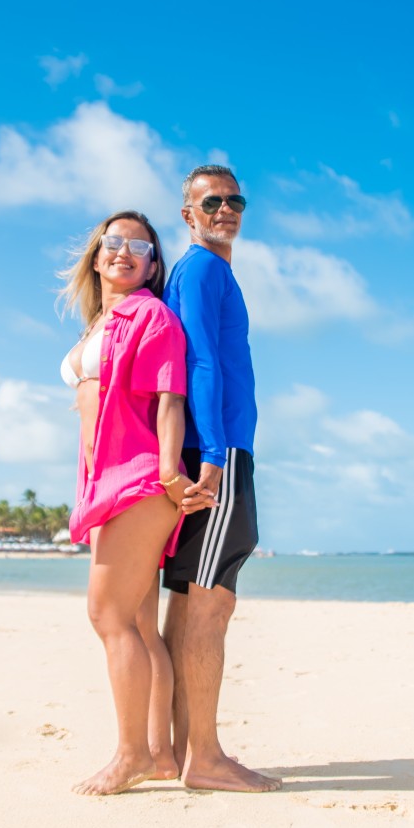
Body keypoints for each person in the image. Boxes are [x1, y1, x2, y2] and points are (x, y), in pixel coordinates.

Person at [58, 210, 214, 795]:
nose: (124, 251)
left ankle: (129, 756)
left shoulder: (149, 315)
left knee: (109, 616)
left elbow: (170, 397)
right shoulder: (102, 323)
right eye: (114, 242)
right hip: (105, 484)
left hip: (138, 480)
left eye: (140, 247)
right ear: (97, 254)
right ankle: (160, 753)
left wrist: (172, 472)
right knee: (141, 626)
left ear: (152, 266)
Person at [161, 165, 282, 793]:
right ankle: (203, 759)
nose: (226, 210)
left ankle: (179, 751)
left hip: (211, 447)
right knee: (212, 601)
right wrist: (212, 449)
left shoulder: (205, 272)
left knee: (186, 602)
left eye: (236, 200)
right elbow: (200, 359)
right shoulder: (203, 269)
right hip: (219, 452)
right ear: (189, 213)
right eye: (212, 202)